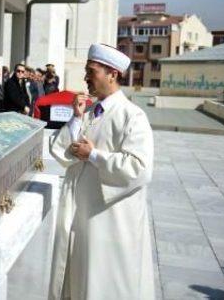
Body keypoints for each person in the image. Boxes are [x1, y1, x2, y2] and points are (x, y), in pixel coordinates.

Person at [48, 43, 154, 300]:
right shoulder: (91, 111)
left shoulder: (132, 116)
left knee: (103, 284)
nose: (85, 77)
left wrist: (94, 156)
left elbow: (139, 169)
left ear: (112, 74)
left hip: (109, 222)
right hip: (81, 215)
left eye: (91, 71)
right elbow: (60, 149)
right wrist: (75, 117)